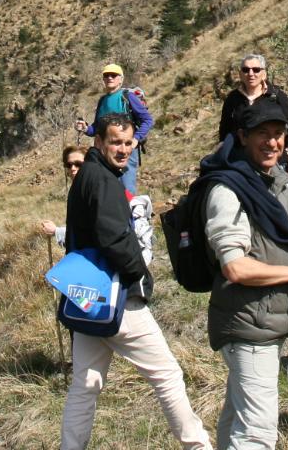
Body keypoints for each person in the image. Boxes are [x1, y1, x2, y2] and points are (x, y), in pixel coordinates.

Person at [59, 114, 211, 450]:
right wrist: (138, 274)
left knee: (85, 385)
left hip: (87, 297)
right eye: (115, 142)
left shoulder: (88, 175)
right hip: (118, 298)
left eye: (129, 142)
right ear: (98, 142)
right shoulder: (103, 180)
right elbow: (114, 239)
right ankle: (197, 445)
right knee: (167, 374)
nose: (124, 149)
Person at [201, 98, 288, 449]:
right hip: (248, 325)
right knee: (257, 434)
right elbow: (234, 266)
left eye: (279, 134)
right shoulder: (228, 190)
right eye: (263, 133)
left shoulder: (278, 182)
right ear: (242, 136)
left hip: (268, 321)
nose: (273, 142)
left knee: (236, 420)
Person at [217, 53, 288, 180]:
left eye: (256, 70)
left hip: (274, 163)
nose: (251, 74)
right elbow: (225, 132)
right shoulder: (232, 99)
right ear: (240, 74)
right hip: (240, 164)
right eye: (245, 70)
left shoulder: (277, 96)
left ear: (264, 74)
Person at [76, 63, 152, 194]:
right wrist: (86, 128)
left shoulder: (127, 97)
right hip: (104, 152)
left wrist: (136, 139)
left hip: (124, 150)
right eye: (106, 75)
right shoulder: (102, 101)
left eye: (113, 75)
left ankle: (130, 214)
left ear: (121, 79)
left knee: (126, 189)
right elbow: (97, 128)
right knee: (107, 189)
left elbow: (147, 120)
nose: (109, 78)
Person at [39, 145, 86, 246]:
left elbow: (90, 233)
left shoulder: (92, 191)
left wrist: (56, 231)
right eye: (69, 165)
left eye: (78, 164)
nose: (73, 168)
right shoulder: (75, 189)